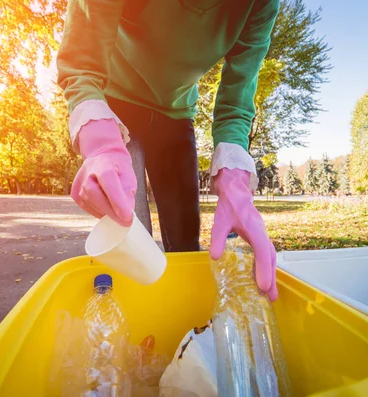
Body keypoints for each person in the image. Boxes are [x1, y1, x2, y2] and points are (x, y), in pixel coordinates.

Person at [57, 0, 280, 300]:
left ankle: (188, 331)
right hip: (117, 109)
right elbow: (83, 60)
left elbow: (236, 102)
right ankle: (140, 333)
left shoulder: (261, 4)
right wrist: (96, 136)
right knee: (132, 239)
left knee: (185, 239)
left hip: (176, 117)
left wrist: (234, 180)